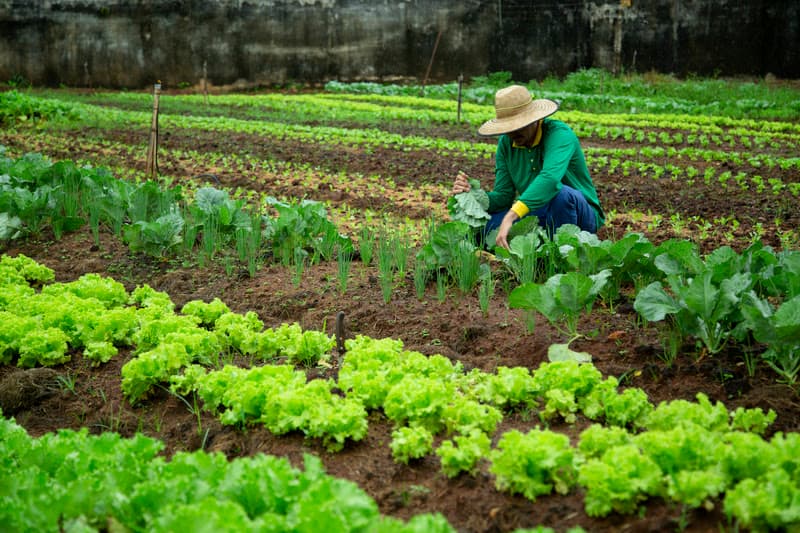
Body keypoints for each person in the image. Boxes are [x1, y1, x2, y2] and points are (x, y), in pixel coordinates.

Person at [452, 84, 604, 249]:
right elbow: (503, 196)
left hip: (577, 213)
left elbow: (550, 179)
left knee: (562, 195)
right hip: (536, 213)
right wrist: (472, 194)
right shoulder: (507, 144)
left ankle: (562, 256)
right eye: (508, 128)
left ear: (535, 119)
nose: (512, 134)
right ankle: (536, 251)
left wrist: (510, 217)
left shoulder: (559, 134)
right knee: (482, 228)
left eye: (518, 126)